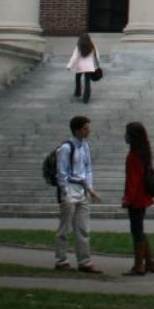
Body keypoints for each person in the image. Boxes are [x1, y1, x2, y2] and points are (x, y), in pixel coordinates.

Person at [54, 115, 99, 273]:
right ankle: (61, 260)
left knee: (83, 228)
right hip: (70, 189)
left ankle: (85, 261)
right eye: (86, 128)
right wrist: (65, 192)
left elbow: (88, 169)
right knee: (65, 228)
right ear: (77, 130)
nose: (89, 131)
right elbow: (61, 173)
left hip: (82, 190)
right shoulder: (66, 148)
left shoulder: (85, 146)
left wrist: (90, 188)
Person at [122, 120, 154, 275]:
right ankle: (150, 262)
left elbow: (133, 180)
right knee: (140, 229)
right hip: (143, 197)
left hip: (136, 199)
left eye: (128, 134)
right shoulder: (145, 152)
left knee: (136, 231)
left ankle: (139, 265)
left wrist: (127, 199)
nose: (125, 137)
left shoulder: (133, 156)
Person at [67, 33, 99, 103]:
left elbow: (74, 57)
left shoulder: (78, 46)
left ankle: (78, 92)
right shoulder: (92, 46)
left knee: (77, 78)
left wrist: (69, 65)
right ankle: (86, 98)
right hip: (89, 66)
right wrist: (96, 65)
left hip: (80, 66)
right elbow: (97, 56)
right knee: (87, 81)